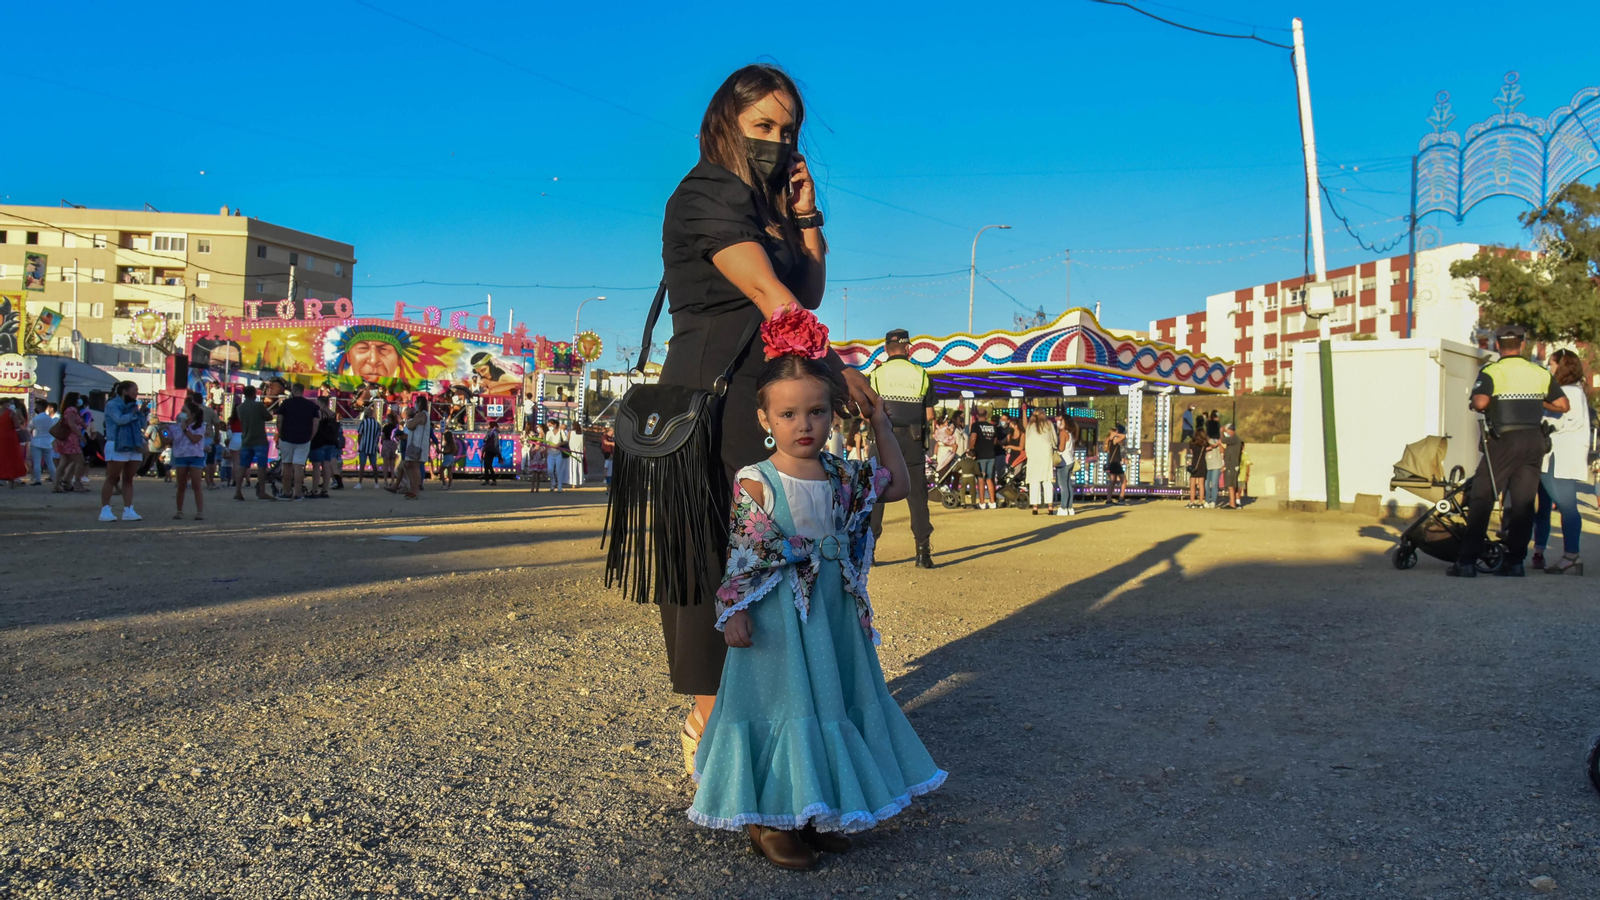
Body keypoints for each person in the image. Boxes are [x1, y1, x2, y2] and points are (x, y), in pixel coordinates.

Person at [655, 64, 881, 795]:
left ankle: (780, 717)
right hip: (711, 402)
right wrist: (834, 363)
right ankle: (709, 727)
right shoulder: (705, 194)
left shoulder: (764, 209)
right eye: (763, 127)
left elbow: (807, 286)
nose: (778, 143)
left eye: (788, 131)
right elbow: (770, 294)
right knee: (711, 560)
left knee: (781, 561)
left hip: (768, 399)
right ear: (727, 121)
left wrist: (806, 218)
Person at [688, 347, 942, 870]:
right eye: (788, 414)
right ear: (764, 419)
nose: (804, 424)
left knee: (827, 699)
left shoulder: (841, 475)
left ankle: (810, 810)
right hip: (777, 609)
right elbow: (743, 552)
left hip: (831, 606)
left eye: (817, 411)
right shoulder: (756, 479)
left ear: (833, 414)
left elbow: (901, 482)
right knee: (780, 702)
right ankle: (766, 817)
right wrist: (733, 610)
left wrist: (878, 420)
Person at [1450, 325, 1570, 578]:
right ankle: (1515, 562)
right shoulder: (1538, 372)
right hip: (1534, 440)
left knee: (1482, 497)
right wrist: (1536, 401)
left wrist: (1478, 402)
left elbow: (1481, 402)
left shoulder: (1492, 371)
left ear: (1497, 345)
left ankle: (1467, 562)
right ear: (1522, 344)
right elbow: (1562, 405)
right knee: (1524, 504)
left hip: (1504, 440)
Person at [867, 328, 936, 566]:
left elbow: (867, 410)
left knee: (876, 495)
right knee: (917, 497)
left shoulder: (877, 374)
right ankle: (922, 552)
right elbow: (929, 414)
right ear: (909, 349)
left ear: (886, 349)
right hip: (913, 441)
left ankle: (870, 551)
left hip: (883, 439)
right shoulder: (921, 374)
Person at [1532, 348, 1589, 575]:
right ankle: (1539, 551)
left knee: (1566, 506)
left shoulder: (1567, 392)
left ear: (1561, 366)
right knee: (1544, 505)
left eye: (1552, 363)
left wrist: (1537, 401)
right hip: (1555, 454)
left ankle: (1571, 555)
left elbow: (1553, 419)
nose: (1549, 367)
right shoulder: (1575, 390)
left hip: (1559, 454)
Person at [98, 381, 148, 522]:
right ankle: (105, 509)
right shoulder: (113, 404)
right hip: (116, 443)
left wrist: (142, 412)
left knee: (129, 479)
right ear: (125, 391)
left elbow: (142, 424)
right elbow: (120, 420)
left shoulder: (133, 406)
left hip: (133, 443)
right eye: (135, 390)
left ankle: (128, 509)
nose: (137, 393)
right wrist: (133, 413)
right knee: (112, 477)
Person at [274, 383, 320, 502]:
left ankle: (286, 492)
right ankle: (298, 493)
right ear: (303, 391)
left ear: (293, 390)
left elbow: (279, 420)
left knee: (287, 465)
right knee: (299, 465)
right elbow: (316, 423)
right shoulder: (311, 405)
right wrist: (311, 437)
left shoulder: (286, 404)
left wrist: (280, 433)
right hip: (304, 438)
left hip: (286, 437)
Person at [233, 386, 274, 501]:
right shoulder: (258, 406)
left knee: (243, 465)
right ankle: (262, 492)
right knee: (261, 466)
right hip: (259, 439)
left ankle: (237, 491)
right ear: (254, 393)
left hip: (246, 439)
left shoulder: (240, 408)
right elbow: (269, 417)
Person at [171, 399, 208, 520]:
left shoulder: (201, 426)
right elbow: (172, 440)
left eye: (184, 411)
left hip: (195, 457)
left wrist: (185, 429)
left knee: (196, 485)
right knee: (181, 485)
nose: (181, 413)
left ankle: (200, 511)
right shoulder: (177, 426)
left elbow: (195, 439)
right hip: (181, 456)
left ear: (191, 414)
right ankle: (179, 510)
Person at [390, 397, 430, 500]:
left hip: (418, 445)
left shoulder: (422, 414)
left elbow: (411, 425)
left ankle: (415, 491)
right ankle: (412, 489)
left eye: (416, 402)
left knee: (414, 466)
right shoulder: (421, 414)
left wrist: (408, 423)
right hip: (414, 444)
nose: (415, 404)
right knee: (408, 465)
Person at [1022, 404, 1059, 515]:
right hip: (1046, 454)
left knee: (1034, 480)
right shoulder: (1048, 424)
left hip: (1033, 455)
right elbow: (1054, 440)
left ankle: (1035, 506)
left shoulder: (1029, 426)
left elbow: (1026, 436)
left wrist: (1024, 411)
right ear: (1043, 415)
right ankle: (1050, 506)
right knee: (1047, 480)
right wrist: (1054, 446)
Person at [308, 395, 341, 499]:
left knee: (316, 466)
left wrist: (310, 438)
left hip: (319, 441)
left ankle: (314, 489)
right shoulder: (332, 414)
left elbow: (315, 425)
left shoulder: (319, 413)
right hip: (330, 442)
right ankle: (325, 490)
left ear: (320, 402)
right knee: (326, 464)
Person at [53, 393, 86, 494]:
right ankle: (77, 483)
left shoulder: (67, 410)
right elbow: (72, 424)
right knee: (80, 461)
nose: (80, 400)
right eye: (79, 398)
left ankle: (57, 484)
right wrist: (81, 435)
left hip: (65, 439)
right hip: (71, 439)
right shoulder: (72, 410)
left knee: (64, 462)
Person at [969, 407, 999, 509]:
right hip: (991, 455)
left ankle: (982, 502)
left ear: (977, 416)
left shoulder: (975, 425)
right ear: (986, 416)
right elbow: (995, 441)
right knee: (989, 479)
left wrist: (970, 448)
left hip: (980, 455)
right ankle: (992, 501)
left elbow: (973, 437)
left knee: (981, 479)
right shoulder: (992, 427)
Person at [1053, 415, 1078, 516]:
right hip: (1070, 461)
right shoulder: (1070, 433)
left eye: (1061, 420)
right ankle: (1070, 507)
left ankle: (1063, 507)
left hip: (1063, 461)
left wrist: (1055, 449)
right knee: (1068, 485)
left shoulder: (1063, 433)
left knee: (1063, 486)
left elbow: (1061, 448)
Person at [28, 400, 56, 486]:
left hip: (36, 442)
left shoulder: (35, 419)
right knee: (50, 462)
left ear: (39, 408)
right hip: (48, 443)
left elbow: (28, 429)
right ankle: (55, 479)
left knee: (37, 462)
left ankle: (37, 480)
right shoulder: (50, 419)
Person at [355, 406, 382, 489]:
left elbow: (359, 434)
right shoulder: (377, 424)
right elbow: (378, 437)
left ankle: (360, 483)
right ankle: (376, 483)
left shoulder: (363, 422)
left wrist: (360, 444)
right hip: (373, 447)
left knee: (362, 465)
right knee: (374, 465)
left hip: (364, 446)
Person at [1220, 423, 1245, 509]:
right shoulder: (1234, 439)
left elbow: (1223, 440)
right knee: (1230, 484)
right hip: (1230, 464)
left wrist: (1221, 432)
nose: (1226, 432)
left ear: (1231, 430)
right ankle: (1231, 502)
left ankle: (1232, 504)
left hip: (1232, 465)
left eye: (1227, 430)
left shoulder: (1234, 438)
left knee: (1231, 485)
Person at [0, 401, 24, 487]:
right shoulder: (11, 413)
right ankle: (12, 477)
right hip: (10, 437)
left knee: (2, 456)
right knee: (12, 456)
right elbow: (17, 425)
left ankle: (2, 477)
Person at [1104, 424, 1127, 504]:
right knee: (1124, 480)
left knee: (1113, 482)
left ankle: (1108, 499)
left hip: (1112, 463)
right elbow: (1124, 436)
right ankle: (1121, 498)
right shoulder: (1113, 440)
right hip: (1116, 464)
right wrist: (1116, 434)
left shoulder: (1108, 441)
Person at [1185, 428, 1208, 508]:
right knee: (1201, 484)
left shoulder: (1191, 443)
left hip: (1195, 464)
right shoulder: (1205, 444)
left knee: (1192, 484)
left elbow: (1192, 452)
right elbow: (1209, 448)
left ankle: (1192, 501)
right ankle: (1201, 501)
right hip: (1202, 464)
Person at [1203, 428, 1223, 509]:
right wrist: (1215, 445)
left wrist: (1220, 442)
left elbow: (1222, 450)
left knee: (1214, 484)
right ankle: (1207, 500)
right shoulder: (1204, 442)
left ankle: (1213, 501)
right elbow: (1208, 448)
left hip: (1216, 465)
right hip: (1207, 465)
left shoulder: (1216, 440)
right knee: (1206, 484)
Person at [380, 408, 401, 486]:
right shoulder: (396, 427)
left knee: (386, 464)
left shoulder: (386, 427)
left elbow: (383, 437)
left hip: (386, 444)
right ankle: (392, 480)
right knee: (392, 464)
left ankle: (385, 480)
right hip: (394, 444)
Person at [544, 420, 566, 492]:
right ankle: (553, 483)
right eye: (548, 425)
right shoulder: (548, 433)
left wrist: (559, 444)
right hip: (550, 453)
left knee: (558, 470)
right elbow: (546, 442)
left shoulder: (561, 432)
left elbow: (566, 441)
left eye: (550, 425)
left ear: (555, 425)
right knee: (550, 470)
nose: (549, 427)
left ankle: (560, 487)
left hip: (559, 454)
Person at [567, 420, 584, 487]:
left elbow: (567, 439)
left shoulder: (571, 432)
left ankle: (573, 483)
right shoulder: (581, 433)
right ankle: (579, 481)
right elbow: (584, 443)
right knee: (579, 467)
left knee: (572, 467)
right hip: (580, 452)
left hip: (572, 451)